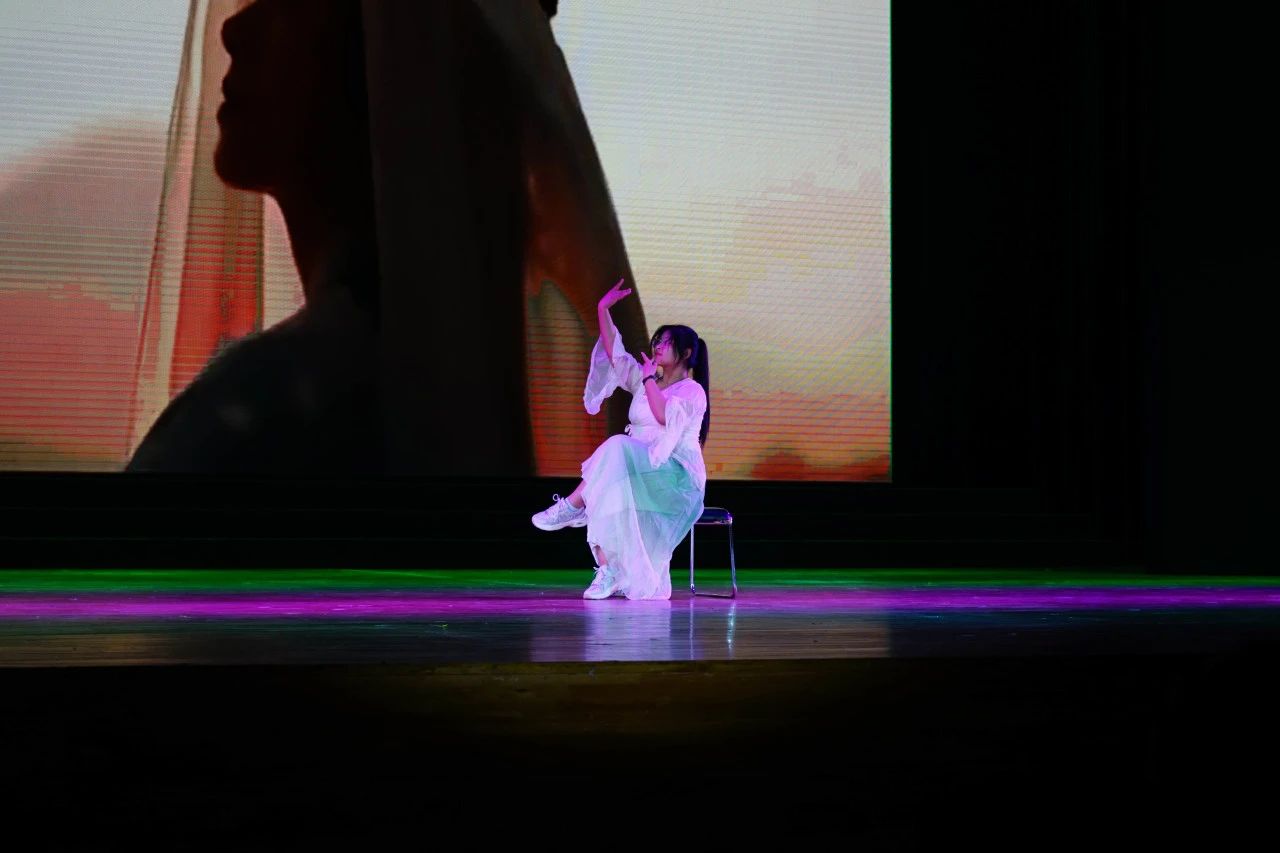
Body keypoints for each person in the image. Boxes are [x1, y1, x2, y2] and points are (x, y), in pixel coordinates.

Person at [532, 279, 710, 600]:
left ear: (685, 353)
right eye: (656, 340)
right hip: (640, 471)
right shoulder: (645, 381)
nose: (657, 346)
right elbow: (616, 355)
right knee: (606, 487)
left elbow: (662, 416)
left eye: (666, 342)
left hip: (675, 478)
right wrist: (602, 309)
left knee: (616, 447)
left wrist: (648, 378)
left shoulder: (691, 391)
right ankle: (607, 571)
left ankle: (572, 505)